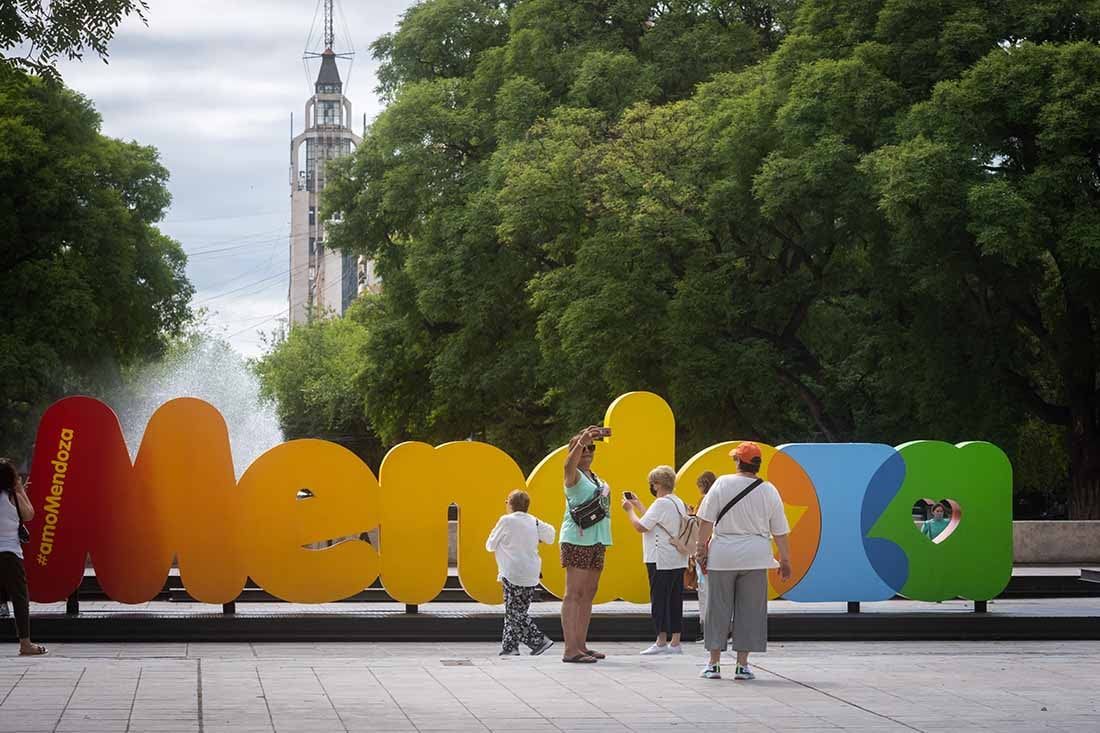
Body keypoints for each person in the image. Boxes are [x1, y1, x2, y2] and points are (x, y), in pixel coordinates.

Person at [694, 443, 789, 680]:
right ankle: (742, 665)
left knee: (717, 608)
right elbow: (779, 530)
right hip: (756, 556)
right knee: (750, 611)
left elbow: (705, 521)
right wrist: (785, 559)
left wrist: (700, 550)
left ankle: (713, 663)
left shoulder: (722, 484)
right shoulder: (769, 490)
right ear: (757, 464)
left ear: (737, 461)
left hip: (723, 554)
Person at [559, 425, 613, 663]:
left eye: (592, 448)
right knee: (574, 593)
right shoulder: (573, 475)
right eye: (584, 448)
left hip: (598, 539)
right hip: (577, 539)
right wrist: (581, 440)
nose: (589, 452)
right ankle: (570, 649)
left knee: (588, 593)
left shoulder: (595, 477)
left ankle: (581, 645)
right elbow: (566, 465)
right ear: (575, 449)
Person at [622, 465, 689, 655]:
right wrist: (639, 505)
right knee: (675, 599)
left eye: (652, 483)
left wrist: (629, 511)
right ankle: (675, 642)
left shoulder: (661, 504)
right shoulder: (677, 502)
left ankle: (660, 641)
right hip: (678, 557)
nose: (651, 486)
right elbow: (658, 522)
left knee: (659, 599)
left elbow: (641, 526)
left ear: (658, 484)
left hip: (660, 558)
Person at [486, 489, 556, 657]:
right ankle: (510, 648)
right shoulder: (534, 521)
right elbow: (551, 536)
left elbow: (490, 545)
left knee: (514, 612)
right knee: (517, 611)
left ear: (510, 504)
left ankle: (539, 641)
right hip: (531, 573)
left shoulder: (506, 521)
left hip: (512, 572)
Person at [0, 459, 47, 656]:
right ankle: (25, 643)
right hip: (10, 554)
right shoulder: (14, 497)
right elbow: (29, 515)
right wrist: (20, 489)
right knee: (20, 597)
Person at [693, 471, 717, 634]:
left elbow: (701, 524)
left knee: (705, 590)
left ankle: (707, 628)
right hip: (717, 548)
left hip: (705, 549)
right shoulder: (719, 499)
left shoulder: (705, 500)